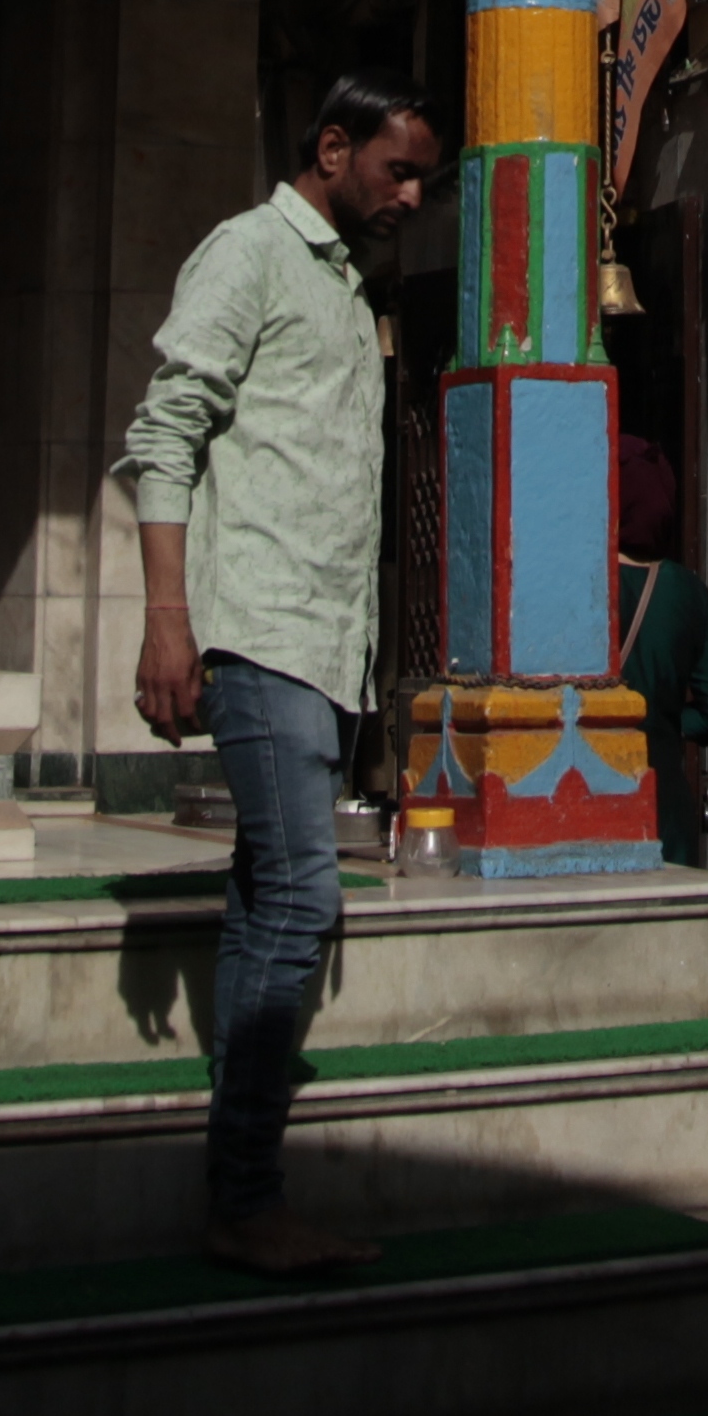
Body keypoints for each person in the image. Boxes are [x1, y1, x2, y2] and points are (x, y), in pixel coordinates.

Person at [117, 70, 441, 1273]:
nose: (411, 196)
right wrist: (168, 620)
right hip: (257, 634)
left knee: (272, 893)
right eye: (398, 170)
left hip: (322, 644)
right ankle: (247, 1195)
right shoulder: (249, 252)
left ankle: (241, 1193)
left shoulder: (346, 287)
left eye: (423, 178)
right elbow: (165, 433)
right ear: (333, 149)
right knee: (305, 896)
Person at [608, 432, 708, 866]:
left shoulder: (584, 586)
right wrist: (663, 719)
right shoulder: (689, 595)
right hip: (666, 811)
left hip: (595, 799)